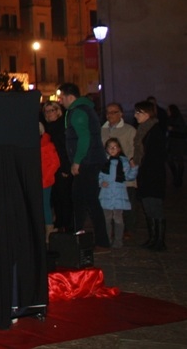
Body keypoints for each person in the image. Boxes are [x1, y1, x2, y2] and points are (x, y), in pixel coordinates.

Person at [57, 82, 111, 251]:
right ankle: (78, 235)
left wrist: (77, 161)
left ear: (70, 97)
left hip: (87, 162)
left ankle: (102, 241)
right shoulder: (82, 110)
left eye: (61, 97)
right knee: (79, 199)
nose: (60, 101)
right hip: (89, 160)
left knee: (89, 200)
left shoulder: (78, 112)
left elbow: (84, 138)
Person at [132, 100, 168, 251]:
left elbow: (154, 155)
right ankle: (152, 238)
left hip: (153, 175)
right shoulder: (143, 129)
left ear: (147, 114)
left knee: (155, 207)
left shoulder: (154, 130)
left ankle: (159, 240)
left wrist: (140, 163)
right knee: (148, 207)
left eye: (138, 112)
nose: (135, 115)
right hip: (145, 173)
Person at [101, 102, 138, 238]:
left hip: (123, 170)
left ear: (121, 114)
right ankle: (112, 228)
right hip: (108, 172)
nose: (110, 115)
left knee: (127, 200)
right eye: (108, 112)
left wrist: (129, 163)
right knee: (109, 202)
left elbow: (134, 148)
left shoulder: (129, 130)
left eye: (113, 112)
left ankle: (129, 228)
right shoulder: (103, 130)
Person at [98, 138, 138, 248]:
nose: (112, 149)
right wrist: (101, 182)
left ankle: (118, 240)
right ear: (106, 149)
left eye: (115, 147)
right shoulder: (103, 161)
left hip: (119, 194)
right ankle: (107, 239)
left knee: (118, 218)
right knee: (106, 218)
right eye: (110, 147)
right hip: (106, 194)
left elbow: (129, 176)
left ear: (119, 149)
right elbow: (98, 175)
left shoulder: (123, 162)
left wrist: (134, 168)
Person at [42, 100, 73, 233]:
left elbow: (65, 149)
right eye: (47, 111)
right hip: (52, 169)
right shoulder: (49, 128)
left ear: (58, 111)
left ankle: (67, 227)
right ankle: (60, 225)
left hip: (62, 168)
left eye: (52, 110)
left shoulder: (61, 127)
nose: (49, 113)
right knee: (56, 199)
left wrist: (66, 168)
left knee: (64, 198)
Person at [39, 122, 60, 243]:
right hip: (36, 180)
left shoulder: (47, 145)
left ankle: (49, 231)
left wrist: (45, 177)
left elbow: (54, 163)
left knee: (45, 205)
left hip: (45, 180)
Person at [166, 104, 187, 188]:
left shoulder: (178, 119)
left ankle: (179, 178)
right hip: (172, 142)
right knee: (170, 159)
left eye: (169, 110)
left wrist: (173, 129)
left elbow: (183, 129)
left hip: (179, 142)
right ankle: (176, 176)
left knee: (179, 160)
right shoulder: (169, 119)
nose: (167, 112)